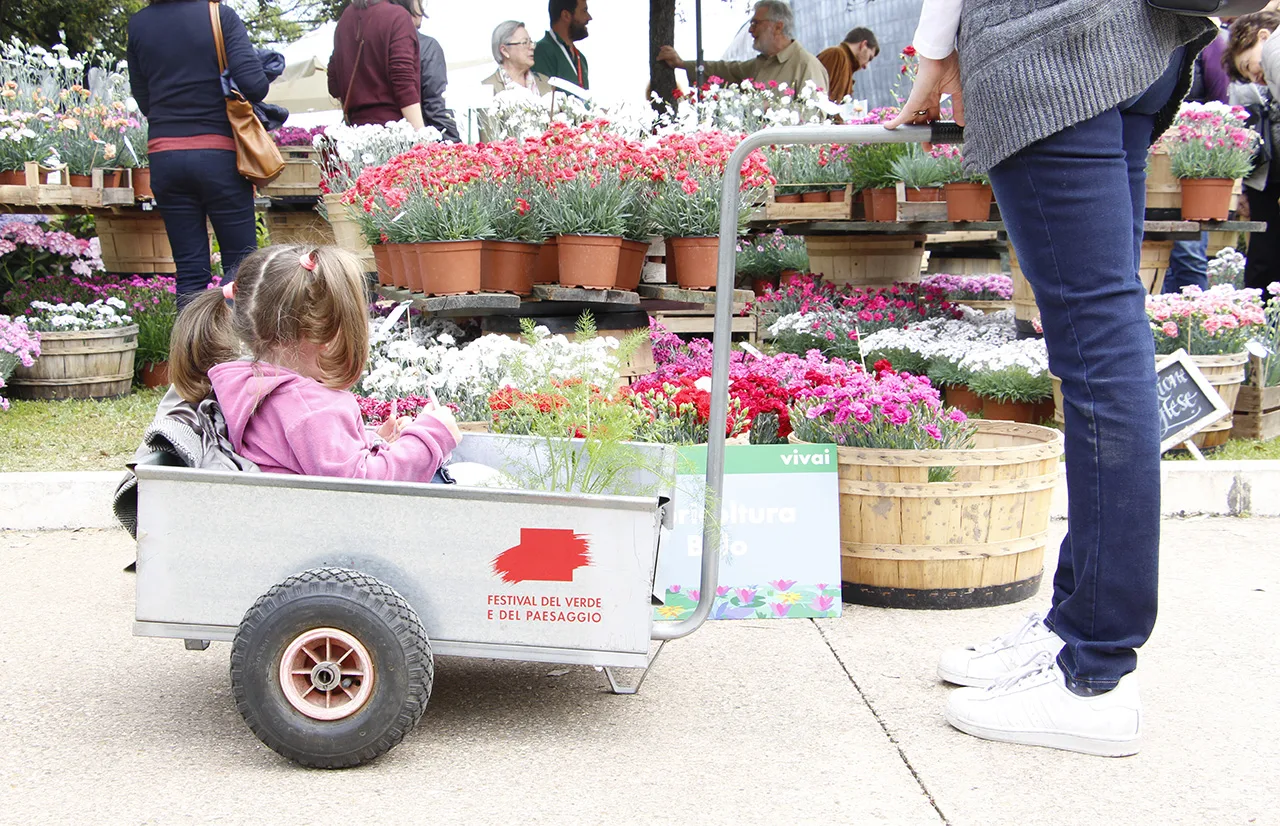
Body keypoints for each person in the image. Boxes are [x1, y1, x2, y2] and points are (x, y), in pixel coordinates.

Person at [887, 1, 1215, 756]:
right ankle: (1074, 625)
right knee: (1105, 333)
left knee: (1098, 348)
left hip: (1052, 47)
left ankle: (1094, 674)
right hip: (1131, 45)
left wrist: (935, 52)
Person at [168, 245, 461, 481]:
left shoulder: (248, 385)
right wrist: (431, 435)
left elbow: (305, 456)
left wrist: (372, 440)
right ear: (322, 330)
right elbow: (365, 487)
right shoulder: (311, 409)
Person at [126, 0, 267, 308]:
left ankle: (190, 355)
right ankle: (234, 350)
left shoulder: (138, 24)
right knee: (239, 267)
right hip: (219, 156)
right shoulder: (219, 16)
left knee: (190, 270)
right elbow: (254, 85)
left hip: (166, 157)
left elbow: (145, 101)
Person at [1164, 19, 1232, 294]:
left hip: (1190, 155)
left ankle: (1195, 329)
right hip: (1146, 154)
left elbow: (1220, 104)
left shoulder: (1210, 39)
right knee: (1152, 255)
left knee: (1188, 251)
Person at [657, 1, 828, 93]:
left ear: (778, 26)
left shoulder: (806, 65)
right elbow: (724, 70)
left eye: (756, 23)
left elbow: (815, 117)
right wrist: (681, 64)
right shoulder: (761, 64)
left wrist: (770, 110)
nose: (750, 30)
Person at [1226, 11, 1280, 290]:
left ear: (1264, 37)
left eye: (1248, 65)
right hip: (1265, 183)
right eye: (1246, 74)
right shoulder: (1260, 89)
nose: (1253, 76)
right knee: (1262, 259)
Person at [328, 0, 425, 129]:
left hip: (355, 134)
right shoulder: (397, 16)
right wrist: (421, 137)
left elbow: (333, 84)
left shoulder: (344, 20)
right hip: (394, 134)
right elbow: (403, 84)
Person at [389, 0, 461, 142]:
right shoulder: (427, 46)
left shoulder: (367, 39)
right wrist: (455, 147)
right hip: (416, 144)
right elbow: (435, 107)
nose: (422, 8)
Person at [483, 20, 554, 97]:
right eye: (524, 43)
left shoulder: (545, 81)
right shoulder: (486, 88)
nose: (532, 47)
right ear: (504, 50)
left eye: (531, 42)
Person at [533, 0, 591, 91]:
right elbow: (543, 99)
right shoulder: (542, 51)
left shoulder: (581, 59)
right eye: (584, 11)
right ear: (566, 15)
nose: (589, 17)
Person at [817, 27, 879, 102]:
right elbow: (818, 96)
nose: (865, 66)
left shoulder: (844, 62)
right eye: (869, 58)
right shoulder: (836, 55)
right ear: (863, 44)